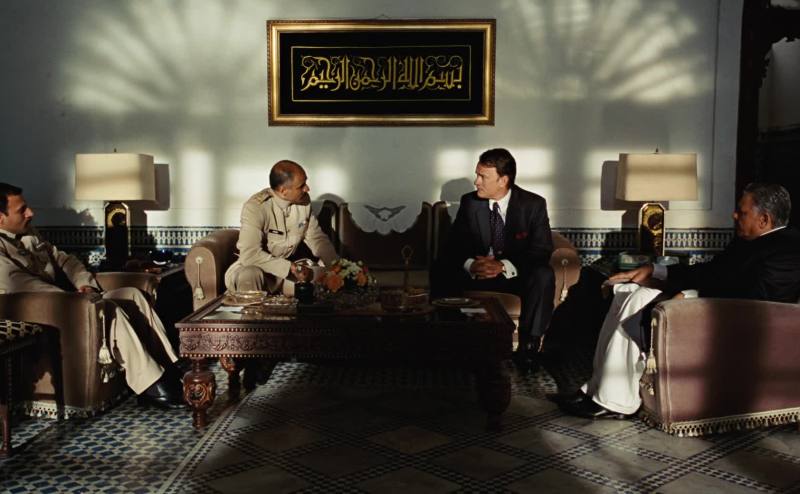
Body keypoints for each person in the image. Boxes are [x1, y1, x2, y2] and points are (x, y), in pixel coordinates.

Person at [560, 183, 800, 419]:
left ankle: (616, 401)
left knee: (638, 301)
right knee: (628, 291)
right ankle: (597, 389)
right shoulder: (745, 241)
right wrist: (655, 271)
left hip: (737, 320)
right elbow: (710, 272)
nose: (734, 215)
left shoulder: (788, 249)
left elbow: (754, 297)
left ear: (764, 219)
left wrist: (694, 294)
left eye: (742, 211)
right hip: (715, 304)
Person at [0, 183, 184, 409]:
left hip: (71, 300)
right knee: (109, 309)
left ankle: (169, 368)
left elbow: (66, 261)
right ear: (0, 218)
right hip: (47, 312)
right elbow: (22, 285)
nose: (30, 213)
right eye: (22, 210)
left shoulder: (29, 233)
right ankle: (152, 385)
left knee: (133, 295)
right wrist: (74, 300)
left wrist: (85, 285)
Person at [431, 148, 555, 370]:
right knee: (440, 267)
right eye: (477, 175)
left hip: (513, 275)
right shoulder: (470, 202)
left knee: (543, 274)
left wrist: (502, 266)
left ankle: (528, 348)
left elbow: (541, 250)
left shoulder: (533, 204)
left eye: (483, 177)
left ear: (503, 180)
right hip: (477, 273)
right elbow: (453, 247)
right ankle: (446, 342)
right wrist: (471, 265)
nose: (476, 182)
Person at [224, 160, 338, 295]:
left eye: (306, 183)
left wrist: (338, 268)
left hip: (285, 276)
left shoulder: (303, 203)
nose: (307, 189)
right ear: (283, 191)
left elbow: (318, 240)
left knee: (323, 277)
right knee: (250, 274)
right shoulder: (255, 207)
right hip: (257, 270)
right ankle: (250, 309)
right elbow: (250, 255)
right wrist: (290, 268)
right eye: (301, 186)